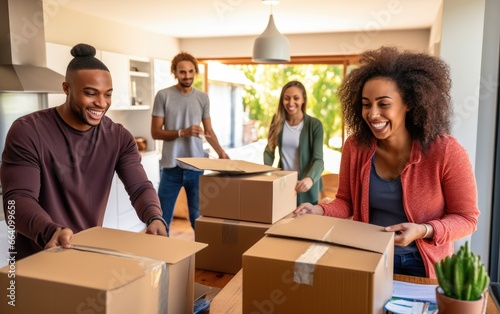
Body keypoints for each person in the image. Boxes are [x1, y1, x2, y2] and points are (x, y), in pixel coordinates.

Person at [293, 46, 480, 279]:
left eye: (383, 104)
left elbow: (467, 218)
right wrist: (319, 209)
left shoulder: (446, 151)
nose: (372, 114)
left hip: (423, 264)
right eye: (366, 104)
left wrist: (424, 230)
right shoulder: (356, 146)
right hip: (370, 255)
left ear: (409, 103)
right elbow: (346, 201)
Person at [0, 43, 167, 260]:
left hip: (88, 252)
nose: (101, 103)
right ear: (66, 88)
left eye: (107, 94)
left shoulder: (119, 137)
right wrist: (50, 231)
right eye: (90, 93)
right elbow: (16, 200)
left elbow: (140, 187)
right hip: (38, 256)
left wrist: (154, 216)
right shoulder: (27, 131)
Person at [151, 51, 229, 234]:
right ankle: (164, 259)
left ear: (196, 71)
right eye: (182, 72)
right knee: (162, 219)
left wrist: (221, 153)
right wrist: (182, 132)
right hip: (171, 167)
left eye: (190, 71)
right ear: (175, 72)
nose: (187, 76)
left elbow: (208, 131)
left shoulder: (202, 98)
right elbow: (155, 132)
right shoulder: (163, 96)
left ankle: (201, 259)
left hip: (196, 167)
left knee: (198, 219)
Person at [264, 81, 324, 205]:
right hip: (284, 184)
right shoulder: (277, 121)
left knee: (306, 222)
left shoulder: (314, 125)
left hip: (307, 185)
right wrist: (266, 172)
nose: (291, 103)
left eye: (296, 98)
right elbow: (269, 150)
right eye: (286, 98)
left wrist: (310, 179)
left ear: (303, 100)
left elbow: (318, 160)